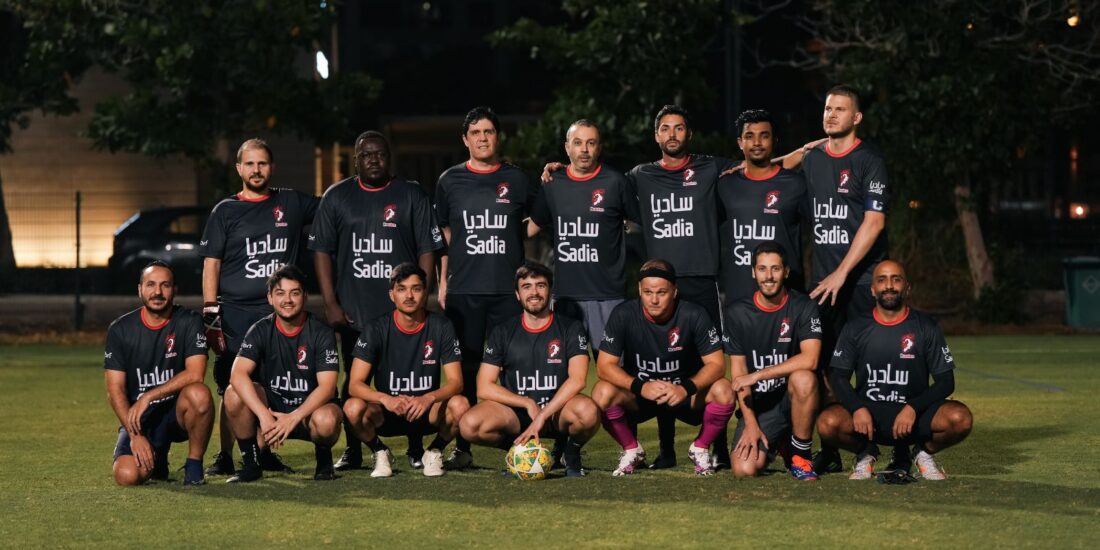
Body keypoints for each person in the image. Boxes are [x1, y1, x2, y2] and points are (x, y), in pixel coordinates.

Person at [310, 130, 445, 471]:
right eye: (366, 154)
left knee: (411, 378)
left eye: (380, 153)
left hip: (402, 312)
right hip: (356, 312)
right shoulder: (337, 196)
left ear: (389, 157)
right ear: (355, 159)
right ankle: (357, 449)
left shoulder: (411, 194)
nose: (373, 159)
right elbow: (322, 251)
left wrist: (422, 296)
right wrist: (330, 302)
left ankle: (416, 448)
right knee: (353, 382)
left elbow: (428, 249)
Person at [199, 138, 319, 476]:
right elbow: (212, 264)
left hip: (278, 314)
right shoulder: (225, 210)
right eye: (249, 164)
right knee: (232, 386)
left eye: (262, 163)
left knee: (267, 382)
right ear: (239, 168)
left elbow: (335, 205)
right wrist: (211, 313)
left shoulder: (291, 202)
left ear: (272, 167)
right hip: (236, 314)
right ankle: (225, 454)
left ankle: (262, 454)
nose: (256, 170)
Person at [434, 106, 536, 469]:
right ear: (465, 139)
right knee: (466, 368)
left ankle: (520, 439)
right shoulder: (449, 181)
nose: (482, 137)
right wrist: (442, 284)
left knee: (509, 367)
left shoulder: (518, 179)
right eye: (475, 132)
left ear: (498, 137)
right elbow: (444, 236)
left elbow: (536, 221)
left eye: (488, 131)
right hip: (465, 292)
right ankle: (463, 444)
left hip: (506, 293)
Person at [798, 86, 892, 473]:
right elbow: (782, 164)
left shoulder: (870, 161)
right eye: (827, 108)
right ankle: (832, 447)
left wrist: (843, 272)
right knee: (823, 367)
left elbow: (874, 221)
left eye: (840, 109)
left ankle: (873, 446)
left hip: (860, 281)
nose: (831, 114)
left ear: (857, 118)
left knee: (867, 365)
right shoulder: (814, 158)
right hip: (823, 285)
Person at [816, 260, 972, 480]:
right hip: (869, 417)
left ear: (907, 287)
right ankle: (865, 453)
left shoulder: (925, 327)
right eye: (882, 280)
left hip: (914, 416)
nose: (889, 285)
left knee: (960, 418)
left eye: (895, 279)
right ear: (872, 289)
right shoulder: (855, 327)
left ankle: (923, 452)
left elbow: (946, 381)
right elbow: (839, 377)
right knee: (827, 423)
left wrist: (913, 407)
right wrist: (857, 407)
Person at [593, 259, 734, 476]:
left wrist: (684, 388)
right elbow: (604, 366)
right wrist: (642, 387)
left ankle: (700, 447)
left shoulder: (694, 314)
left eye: (662, 292)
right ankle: (632, 450)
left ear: (674, 291)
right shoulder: (624, 314)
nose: (654, 299)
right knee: (601, 392)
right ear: (640, 289)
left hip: (684, 395)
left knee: (724, 390)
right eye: (648, 292)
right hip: (642, 396)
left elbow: (717, 365)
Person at [458, 262, 599, 477]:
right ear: (517, 294)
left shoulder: (571, 327)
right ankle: (519, 449)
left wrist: (543, 415)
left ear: (550, 291)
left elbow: (578, 380)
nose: (534, 292)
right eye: (527, 287)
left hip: (557, 412)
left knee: (588, 412)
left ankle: (570, 452)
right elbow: (484, 387)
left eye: (540, 286)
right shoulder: (502, 331)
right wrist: (527, 402)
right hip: (519, 415)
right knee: (470, 425)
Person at [343, 263, 470, 477]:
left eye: (416, 288)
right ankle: (380, 451)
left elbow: (456, 382)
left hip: (426, 410)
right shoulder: (375, 328)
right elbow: (355, 384)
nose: (409, 295)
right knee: (352, 407)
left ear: (425, 292)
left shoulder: (441, 326)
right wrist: (385, 399)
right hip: (390, 411)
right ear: (392, 294)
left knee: (461, 405)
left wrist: (428, 397)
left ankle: (433, 451)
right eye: (401, 289)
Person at [223, 265, 343, 482]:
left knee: (327, 420)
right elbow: (237, 374)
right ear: (270, 298)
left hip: (309, 414)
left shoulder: (321, 333)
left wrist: (294, 417)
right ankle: (251, 464)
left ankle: (324, 462)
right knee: (233, 393)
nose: (287, 300)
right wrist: (263, 415)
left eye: (294, 293)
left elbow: (327, 386)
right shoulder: (260, 330)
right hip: (272, 412)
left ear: (304, 297)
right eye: (280, 293)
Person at [528, 119, 637, 347]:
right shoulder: (552, 182)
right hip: (565, 296)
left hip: (607, 295)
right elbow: (531, 227)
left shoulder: (616, 182)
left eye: (591, 143)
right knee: (563, 373)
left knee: (612, 373)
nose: (584, 150)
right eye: (578, 143)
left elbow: (639, 224)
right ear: (567, 147)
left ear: (599, 147)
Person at [104, 261, 213, 486]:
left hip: (176, 413)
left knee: (200, 394)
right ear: (140, 289)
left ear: (175, 290)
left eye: (165, 285)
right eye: (151, 285)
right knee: (127, 476)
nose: (158, 292)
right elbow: (115, 390)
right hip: (139, 418)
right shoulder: (120, 330)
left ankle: (194, 465)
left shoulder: (189, 321)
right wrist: (135, 435)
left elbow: (195, 374)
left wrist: (148, 396)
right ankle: (158, 459)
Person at [723, 241, 822, 480]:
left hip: (793, 398)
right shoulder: (737, 313)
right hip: (762, 406)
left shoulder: (803, 306)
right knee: (744, 469)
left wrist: (758, 374)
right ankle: (780, 444)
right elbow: (738, 376)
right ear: (753, 272)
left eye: (775, 269)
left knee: (804, 378)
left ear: (786, 272)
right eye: (762, 269)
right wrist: (750, 424)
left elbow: (811, 359)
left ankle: (801, 455)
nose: (769, 276)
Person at [717, 109, 807, 304]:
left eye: (764, 136)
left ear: (774, 141)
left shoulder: (796, 184)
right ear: (740, 142)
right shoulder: (725, 184)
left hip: (786, 300)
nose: (757, 143)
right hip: (739, 299)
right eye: (750, 136)